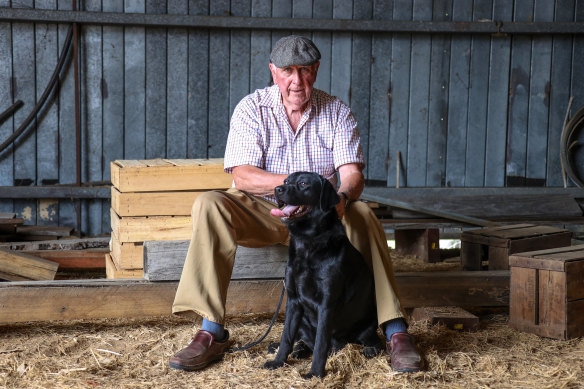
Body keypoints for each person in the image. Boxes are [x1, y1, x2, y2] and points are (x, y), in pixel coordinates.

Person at [169, 35, 423, 374]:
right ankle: (210, 332)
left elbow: (352, 175)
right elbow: (243, 175)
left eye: (304, 70)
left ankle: (395, 331)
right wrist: (297, 185)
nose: (296, 81)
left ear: (315, 71)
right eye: (288, 71)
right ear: (274, 72)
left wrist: (342, 199)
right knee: (209, 204)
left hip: (320, 218)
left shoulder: (337, 112)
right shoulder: (252, 108)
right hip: (264, 210)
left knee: (362, 212)